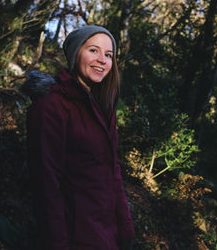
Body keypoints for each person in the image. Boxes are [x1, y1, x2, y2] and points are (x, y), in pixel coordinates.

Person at [23, 25, 135, 249]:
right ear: (76, 54)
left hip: (106, 234)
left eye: (109, 54)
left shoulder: (104, 108)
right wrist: (58, 243)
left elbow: (113, 172)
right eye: (93, 50)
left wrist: (125, 229)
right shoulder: (51, 106)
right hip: (73, 236)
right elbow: (46, 184)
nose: (102, 60)